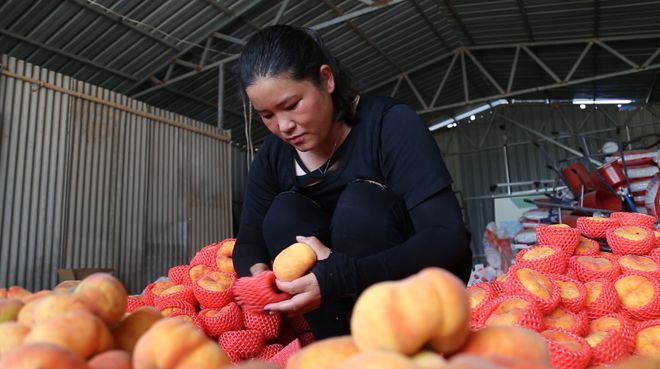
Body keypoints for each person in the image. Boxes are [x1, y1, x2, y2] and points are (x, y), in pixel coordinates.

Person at [233, 25, 472, 339]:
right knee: (283, 214)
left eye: (292, 105)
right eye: (267, 115)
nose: (284, 126)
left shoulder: (389, 126)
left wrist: (341, 275)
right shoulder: (274, 156)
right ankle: (336, 345)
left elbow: (447, 237)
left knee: (362, 205)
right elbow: (248, 243)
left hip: (415, 296)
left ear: (327, 79)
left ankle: (388, 344)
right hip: (329, 309)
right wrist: (261, 281)